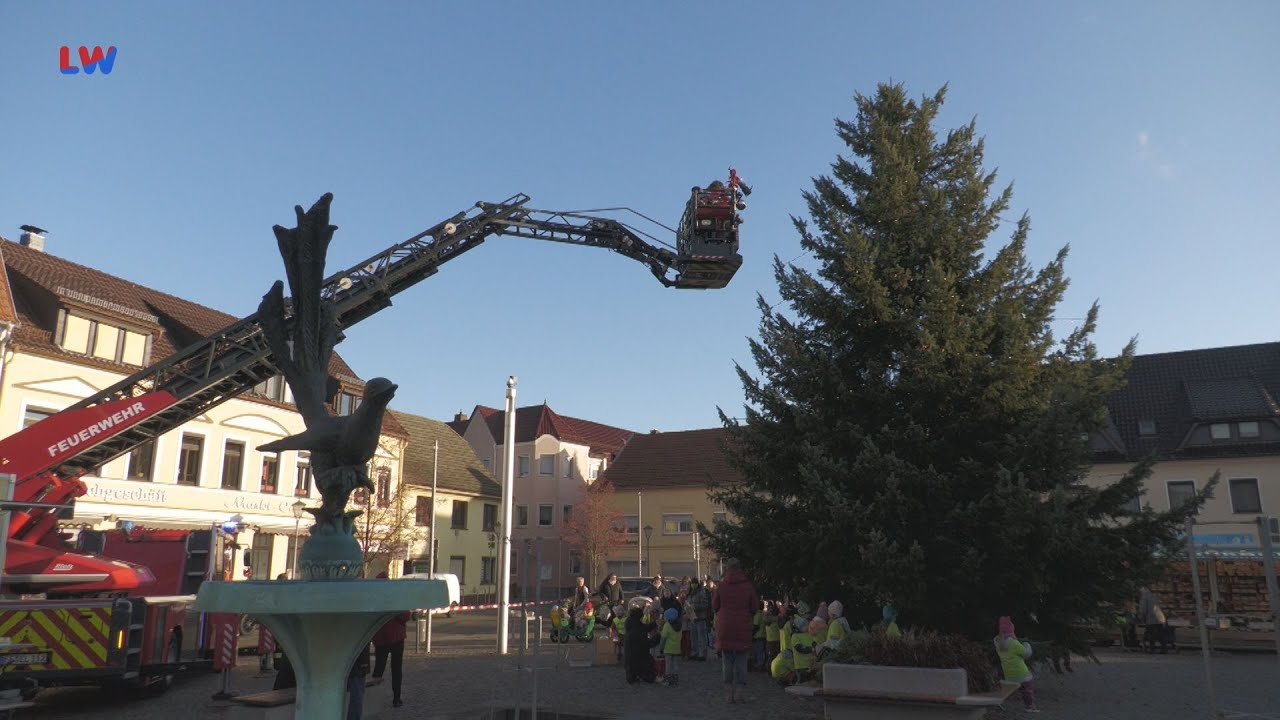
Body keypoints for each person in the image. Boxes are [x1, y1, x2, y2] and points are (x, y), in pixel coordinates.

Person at [712, 558, 759, 704]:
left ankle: (728, 694)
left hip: (725, 626)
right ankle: (739, 693)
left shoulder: (722, 586)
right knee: (741, 661)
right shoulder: (747, 585)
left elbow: (715, 605)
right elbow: (755, 606)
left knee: (727, 660)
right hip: (742, 626)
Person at [371, 573, 410, 709]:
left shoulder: (373, 598)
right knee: (396, 669)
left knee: (379, 669)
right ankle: (396, 698)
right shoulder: (396, 596)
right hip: (396, 639)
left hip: (381, 640)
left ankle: (373, 698)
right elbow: (405, 615)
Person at [994, 616, 1039, 713]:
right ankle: (1030, 706)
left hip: (1009, 674)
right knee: (1027, 687)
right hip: (1021, 673)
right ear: (1011, 632)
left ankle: (997, 703)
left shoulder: (999, 645)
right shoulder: (1013, 643)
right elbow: (1026, 653)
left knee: (1009, 689)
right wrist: (1027, 645)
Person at [624, 605, 661, 683]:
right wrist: (658, 637)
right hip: (640, 658)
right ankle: (646, 676)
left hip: (629, 658)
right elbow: (648, 643)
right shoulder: (638, 629)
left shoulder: (630, 625)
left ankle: (632, 676)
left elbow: (644, 628)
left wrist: (654, 624)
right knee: (648, 662)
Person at [686, 578, 711, 661]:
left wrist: (695, 606)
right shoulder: (689, 593)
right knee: (693, 637)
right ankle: (695, 653)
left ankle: (702, 654)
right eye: (692, 583)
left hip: (700, 617)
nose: (693, 585)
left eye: (695, 583)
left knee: (701, 637)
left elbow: (705, 605)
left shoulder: (702, 592)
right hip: (692, 618)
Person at [348, 642, 373, 720]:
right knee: (357, 696)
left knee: (356, 695)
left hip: (354, 664)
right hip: (357, 666)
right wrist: (364, 662)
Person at [660, 608, 682, 686]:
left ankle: (668, 679)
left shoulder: (667, 625)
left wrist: (661, 647)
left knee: (668, 664)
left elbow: (663, 638)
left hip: (668, 648)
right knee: (675, 664)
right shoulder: (679, 625)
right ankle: (675, 678)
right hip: (676, 648)